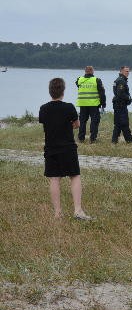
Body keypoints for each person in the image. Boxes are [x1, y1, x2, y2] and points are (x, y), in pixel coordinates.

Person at [39, 78, 93, 220]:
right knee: (74, 176)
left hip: (51, 148)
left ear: (50, 91)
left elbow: (45, 123)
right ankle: (77, 210)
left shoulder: (43, 108)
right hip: (68, 148)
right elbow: (77, 124)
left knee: (54, 179)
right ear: (63, 91)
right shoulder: (69, 107)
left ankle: (57, 213)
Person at [75, 65, 106, 143]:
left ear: (85, 71)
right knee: (94, 121)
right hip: (94, 104)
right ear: (92, 71)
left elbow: (78, 85)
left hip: (83, 104)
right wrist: (103, 104)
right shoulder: (96, 80)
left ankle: (81, 138)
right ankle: (93, 139)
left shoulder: (79, 80)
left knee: (82, 121)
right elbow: (102, 93)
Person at [111, 65, 132, 144]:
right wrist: (128, 98)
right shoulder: (121, 81)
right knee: (124, 123)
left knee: (118, 124)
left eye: (128, 71)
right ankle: (129, 140)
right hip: (120, 105)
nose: (128, 73)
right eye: (126, 71)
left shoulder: (120, 80)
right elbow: (120, 94)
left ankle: (114, 140)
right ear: (121, 71)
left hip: (118, 104)